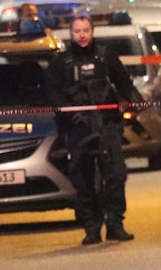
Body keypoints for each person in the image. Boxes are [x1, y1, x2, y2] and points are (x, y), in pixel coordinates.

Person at [47, 15, 142, 244]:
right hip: (77, 128)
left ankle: (114, 224)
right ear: (71, 34)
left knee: (116, 175)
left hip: (107, 124)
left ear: (92, 32)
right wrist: (70, 112)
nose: (82, 35)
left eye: (86, 30)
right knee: (82, 178)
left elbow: (124, 83)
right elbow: (53, 93)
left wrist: (132, 99)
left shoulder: (106, 56)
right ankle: (91, 227)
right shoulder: (61, 62)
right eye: (77, 31)